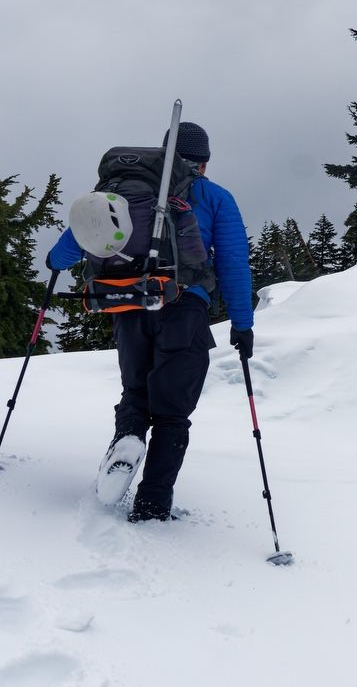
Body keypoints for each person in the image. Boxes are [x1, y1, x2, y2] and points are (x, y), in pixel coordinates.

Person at [46, 121, 254, 522]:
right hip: (183, 309)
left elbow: (77, 238)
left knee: (135, 393)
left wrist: (54, 263)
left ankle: (127, 438)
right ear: (204, 163)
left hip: (129, 307)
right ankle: (153, 504)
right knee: (173, 413)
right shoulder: (214, 197)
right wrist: (242, 325)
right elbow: (233, 264)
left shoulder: (121, 195)